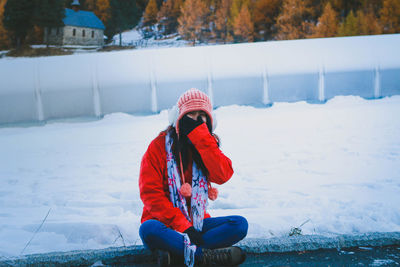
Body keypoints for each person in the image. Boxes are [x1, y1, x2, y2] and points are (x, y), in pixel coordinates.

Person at [139, 88, 248, 267]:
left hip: (197, 223)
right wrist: (183, 226)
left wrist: (201, 138)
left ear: (210, 121)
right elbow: (150, 195)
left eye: (201, 116)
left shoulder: (207, 143)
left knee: (239, 225)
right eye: (191, 114)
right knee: (148, 229)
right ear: (178, 118)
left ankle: (177, 256)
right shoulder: (158, 146)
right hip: (165, 225)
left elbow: (223, 174)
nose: (196, 120)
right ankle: (203, 256)